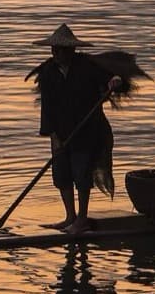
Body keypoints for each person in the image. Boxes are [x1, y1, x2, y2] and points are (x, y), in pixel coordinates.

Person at [33, 23, 123, 235]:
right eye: (53, 50)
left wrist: (114, 81)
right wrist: (53, 135)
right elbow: (47, 106)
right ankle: (70, 216)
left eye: (60, 50)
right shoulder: (48, 72)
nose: (55, 53)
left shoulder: (87, 66)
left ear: (71, 51)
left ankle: (81, 219)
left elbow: (112, 79)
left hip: (86, 129)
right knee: (61, 175)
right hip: (60, 131)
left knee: (82, 174)